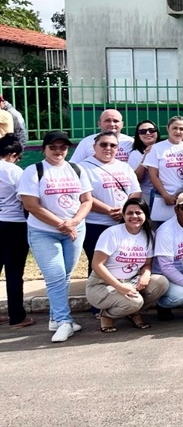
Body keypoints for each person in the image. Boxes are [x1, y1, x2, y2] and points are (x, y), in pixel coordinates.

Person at [19, 131, 93, 343]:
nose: (59, 151)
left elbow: (87, 200)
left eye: (63, 147)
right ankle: (64, 321)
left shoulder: (77, 169)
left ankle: (54, 317)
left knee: (65, 275)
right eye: (54, 147)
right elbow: (31, 205)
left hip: (75, 229)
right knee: (56, 276)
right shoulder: (34, 171)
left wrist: (74, 222)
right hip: (43, 232)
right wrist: (61, 224)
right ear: (44, 149)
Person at [85, 198, 167, 332]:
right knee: (135, 302)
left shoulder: (148, 235)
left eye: (138, 213)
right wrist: (119, 286)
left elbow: (147, 264)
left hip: (130, 280)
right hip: (103, 284)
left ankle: (132, 312)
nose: (134, 216)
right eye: (129, 213)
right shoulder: (112, 233)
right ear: (123, 215)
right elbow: (96, 264)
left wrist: (145, 275)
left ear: (145, 215)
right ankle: (106, 315)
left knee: (161, 282)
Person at [79, 130, 141, 267]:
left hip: (123, 223)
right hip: (96, 224)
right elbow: (83, 197)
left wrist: (124, 211)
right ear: (94, 147)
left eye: (113, 145)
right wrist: (109, 211)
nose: (108, 148)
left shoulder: (125, 167)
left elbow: (136, 192)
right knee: (98, 264)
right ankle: (96, 288)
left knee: (120, 262)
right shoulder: (83, 168)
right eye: (103, 144)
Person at [0, 134, 33, 328]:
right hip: (14, 224)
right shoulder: (14, 171)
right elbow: (25, 199)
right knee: (14, 272)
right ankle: (17, 317)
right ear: (13, 154)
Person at [145, 116, 183, 224]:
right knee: (162, 229)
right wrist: (166, 195)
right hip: (162, 197)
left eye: (182, 129)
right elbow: (153, 175)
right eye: (174, 128)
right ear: (167, 128)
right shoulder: (156, 148)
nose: (178, 131)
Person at [70, 109, 136, 164]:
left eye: (116, 121)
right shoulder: (87, 142)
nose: (112, 124)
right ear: (99, 124)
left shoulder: (130, 142)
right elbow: (74, 164)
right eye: (107, 121)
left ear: (122, 124)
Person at [129, 120, 159, 210]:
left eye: (151, 130)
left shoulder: (165, 147)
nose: (148, 133)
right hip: (147, 195)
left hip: (169, 192)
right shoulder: (135, 154)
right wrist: (145, 156)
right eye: (142, 132)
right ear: (138, 135)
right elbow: (137, 179)